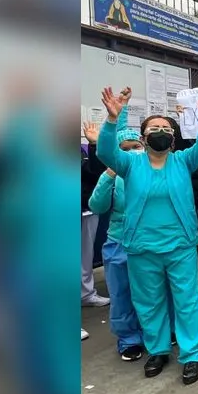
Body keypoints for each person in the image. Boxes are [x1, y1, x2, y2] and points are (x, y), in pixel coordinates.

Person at [97, 86, 198, 385]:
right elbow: (104, 151)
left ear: (174, 138)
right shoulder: (129, 163)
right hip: (141, 247)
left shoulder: (182, 160)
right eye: (154, 128)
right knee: (149, 301)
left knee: (187, 301)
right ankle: (158, 350)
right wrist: (112, 120)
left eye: (166, 128)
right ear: (143, 137)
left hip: (180, 245)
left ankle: (192, 355)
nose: (161, 131)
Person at [87, 123, 147, 361]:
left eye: (136, 146)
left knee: (153, 293)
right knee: (122, 294)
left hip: (149, 242)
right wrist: (109, 174)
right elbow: (97, 206)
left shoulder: (152, 169)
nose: (133, 151)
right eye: (125, 148)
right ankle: (129, 339)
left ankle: (159, 331)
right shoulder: (112, 175)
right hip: (119, 242)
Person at [81, 122, 110, 308]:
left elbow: (94, 173)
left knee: (85, 254)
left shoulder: (83, 149)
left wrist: (94, 145)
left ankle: (86, 293)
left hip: (85, 207)